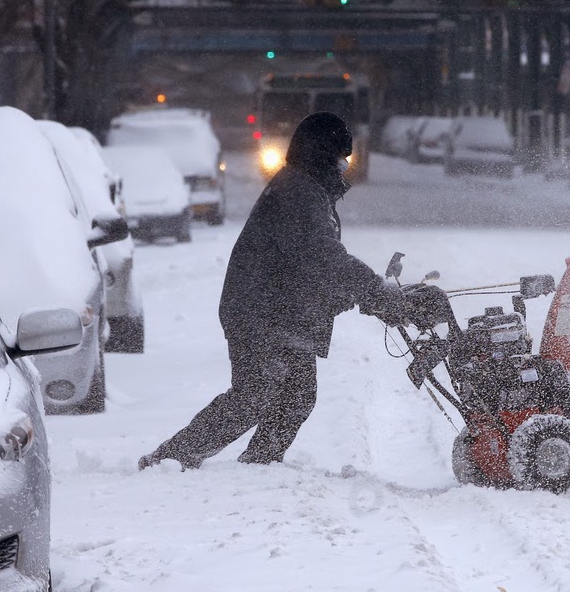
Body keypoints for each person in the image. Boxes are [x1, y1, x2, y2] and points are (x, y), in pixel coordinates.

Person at [139, 112, 403, 470]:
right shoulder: (297, 193)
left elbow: (309, 268)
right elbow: (323, 258)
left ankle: (258, 464)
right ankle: (170, 459)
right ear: (323, 155)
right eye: (340, 157)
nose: (344, 166)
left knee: (296, 397)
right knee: (255, 395)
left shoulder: (307, 189)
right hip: (258, 312)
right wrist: (373, 290)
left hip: (279, 312)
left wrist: (365, 296)